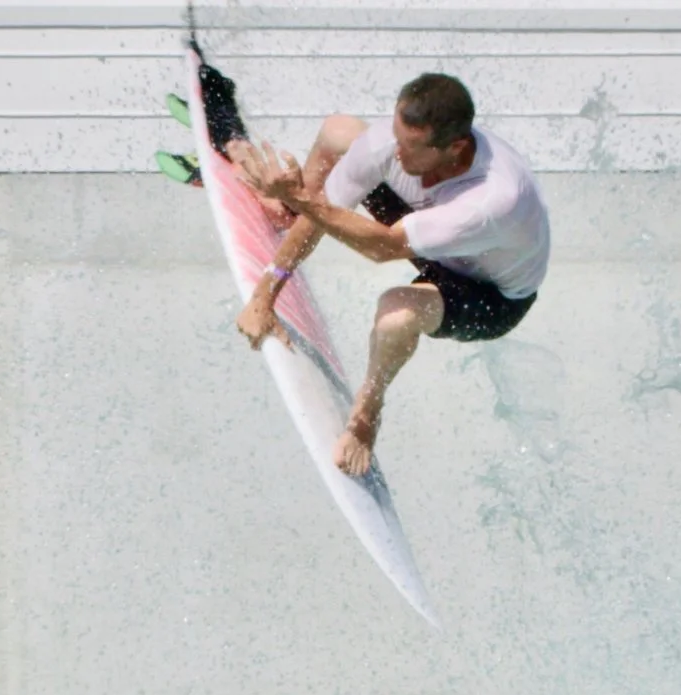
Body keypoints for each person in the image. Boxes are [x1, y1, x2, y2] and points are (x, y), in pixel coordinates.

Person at [227, 73, 550, 476]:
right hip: (432, 242)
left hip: (492, 294)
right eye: (396, 136)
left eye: (410, 147)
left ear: (456, 148)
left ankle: (367, 411)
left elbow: (381, 248)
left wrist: (300, 198)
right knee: (340, 132)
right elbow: (327, 206)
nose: (396, 153)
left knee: (396, 313)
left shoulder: (491, 199)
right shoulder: (392, 144)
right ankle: (284, 212)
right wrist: (264, 295)